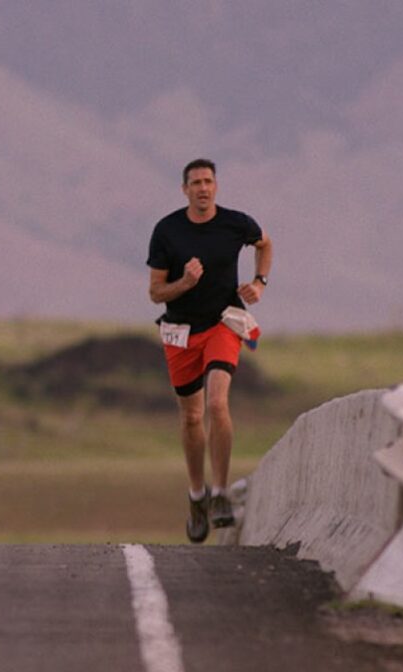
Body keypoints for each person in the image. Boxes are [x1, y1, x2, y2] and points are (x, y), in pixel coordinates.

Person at [147, 158, 273, 544]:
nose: (202, 188)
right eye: (195, 183)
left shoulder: (236, 223)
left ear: (216, 186)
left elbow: (264, 244)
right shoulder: (167, 231)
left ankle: (220, 494)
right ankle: (197, 495)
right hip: (181, 331)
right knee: (191, 418)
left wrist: (259, 281)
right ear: (184, 190)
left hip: (223, 321)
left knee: (218, 403)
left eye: (208, 181)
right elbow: (155, 293)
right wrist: (184, 282)